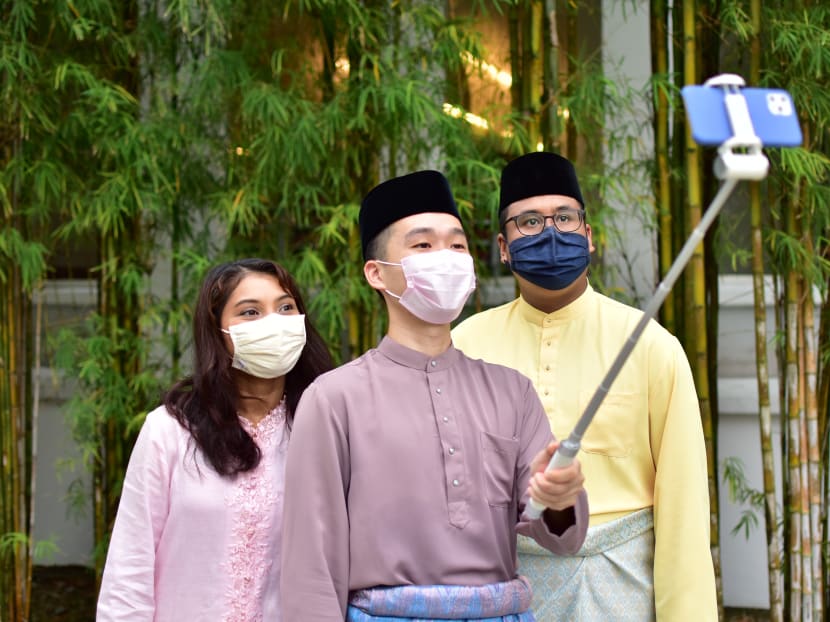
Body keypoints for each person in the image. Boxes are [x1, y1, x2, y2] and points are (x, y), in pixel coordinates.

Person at [280, 170, 589, 622]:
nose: (445, 257)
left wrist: (559, 496)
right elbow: (311, 565)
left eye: (457, 246)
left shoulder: (512, 391)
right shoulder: (332, 400)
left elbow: (559, 535)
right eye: (423, 245)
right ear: (376, 273)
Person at [452, 152, 718, 620]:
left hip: (621, 589)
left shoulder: (650, 345)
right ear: (503, 247)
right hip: (499, 590)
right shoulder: (463, 346)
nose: (550, 232)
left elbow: (684, 508)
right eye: (529, 222)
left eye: (564, 218)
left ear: (588, 235)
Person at [96, 258, 334, 621]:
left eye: (286, 307)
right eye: (250, 312)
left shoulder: (319, 429)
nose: (274, 322)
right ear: (216, 330)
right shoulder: (170, 431)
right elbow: (129, 570)